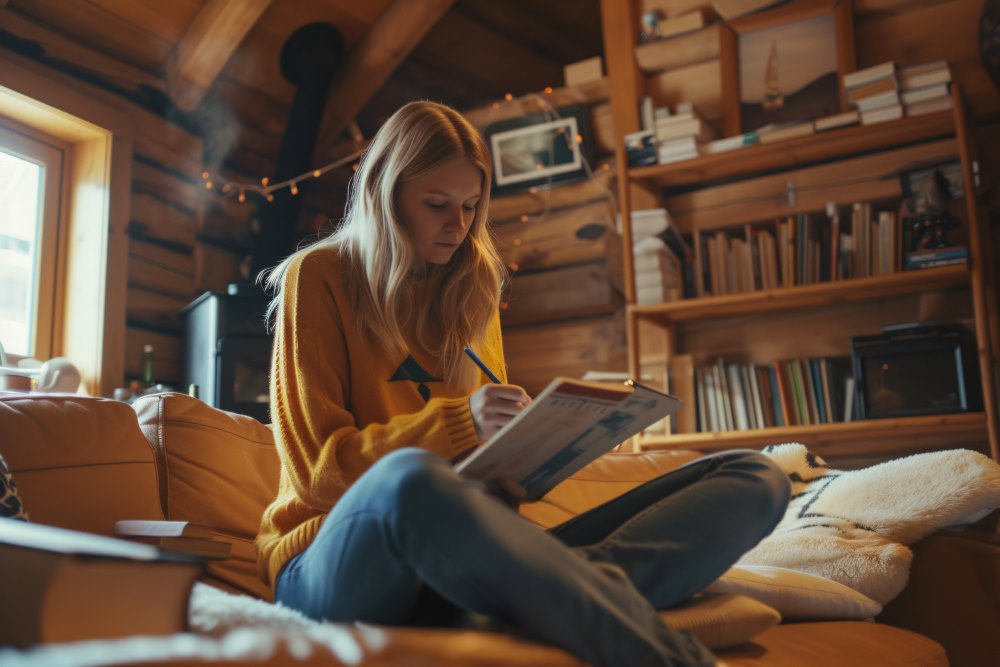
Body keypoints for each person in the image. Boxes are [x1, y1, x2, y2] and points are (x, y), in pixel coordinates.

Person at [256, 100, 791, 667]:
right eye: (435, 204)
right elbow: (319, 474)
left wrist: (531, 451)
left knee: (754, 475)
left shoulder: (472, 290)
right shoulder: (319, 278)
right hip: (335, 562)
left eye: (469, 206)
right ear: (386, 197)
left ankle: (527, 602)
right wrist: (462, 424)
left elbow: (488, 486)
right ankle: (631, 638)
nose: (456, 226)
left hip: (459, 561)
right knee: (411, 480)